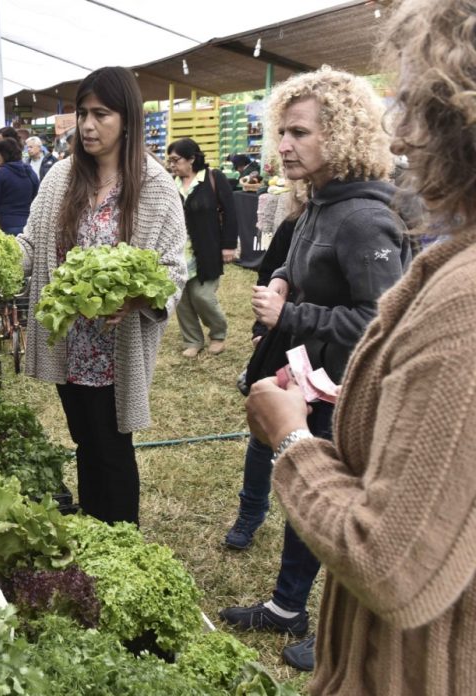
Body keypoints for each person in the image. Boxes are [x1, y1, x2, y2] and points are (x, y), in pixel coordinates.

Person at [245, 2, 476, 691]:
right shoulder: (315, 208)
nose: (401, 138)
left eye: (415, 106)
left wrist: (294, 442)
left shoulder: (460, 303)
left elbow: (393, 563)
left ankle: (290, 599)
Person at [218, 66, 411, 674]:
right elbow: (311, 272)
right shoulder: (317, 205)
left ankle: (335, 633)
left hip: (349, 395)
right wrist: (284, 278)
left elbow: (383, 325)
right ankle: (286, 608)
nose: (283, 146)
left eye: (298, 133)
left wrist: (290, 313)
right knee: (302, 499)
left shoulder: (361, 218)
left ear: (344, 135)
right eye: (282, 132)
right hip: (312, 383)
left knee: (335, 511)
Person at [17, 66, 187, 526]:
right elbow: (31, 244)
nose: (87, 125)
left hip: (116, 349)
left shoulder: (154, 186)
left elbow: (174, 268)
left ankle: (123, 539)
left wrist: (136, 300)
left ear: (126, 119)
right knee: (85, 441)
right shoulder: (60, 178)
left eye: (101, 114)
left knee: (113, 449)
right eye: (82, 113)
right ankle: (95, 529)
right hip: (70, 346)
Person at [166, 137, 238, 357]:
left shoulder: (214, 178)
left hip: (207, 249)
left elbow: (230, 213)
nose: (172, 165)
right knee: (182, 300)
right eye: (169, 161)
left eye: (176, 160)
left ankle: (217, 334)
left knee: (203, 296)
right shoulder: (171, 183)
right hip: (179, 251)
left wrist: (228, 246)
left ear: (192, 158)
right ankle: (192, 340)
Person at [0, 137, 40, 235]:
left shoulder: (0, 174)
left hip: (6, 226)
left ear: (4, 154)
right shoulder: (30, 172)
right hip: (28, 226)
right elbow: (37, 196)